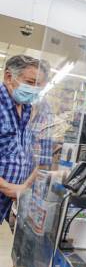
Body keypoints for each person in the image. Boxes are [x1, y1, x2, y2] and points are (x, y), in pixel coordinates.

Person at [0, 55, 48, 226]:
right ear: (8, 77)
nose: (34, 90)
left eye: (39, 86)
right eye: (30, 82)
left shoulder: (25, 108)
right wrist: (8, 188)